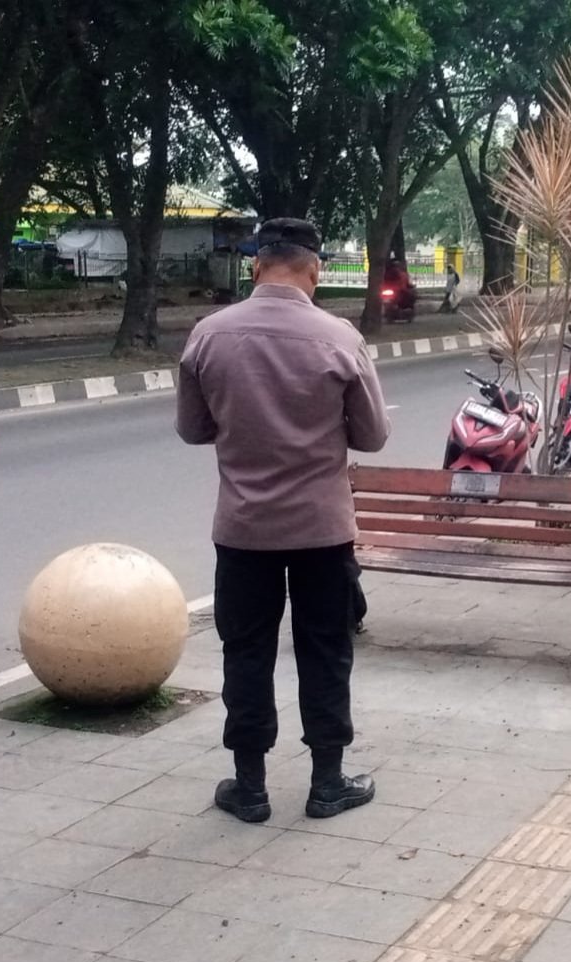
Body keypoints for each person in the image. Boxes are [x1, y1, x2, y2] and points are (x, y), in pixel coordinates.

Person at [177, 217, 391, 824]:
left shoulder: (207, 336)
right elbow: (372, 437)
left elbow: (193, 429)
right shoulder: (339, 339)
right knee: (325, 652)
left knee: (245, 653)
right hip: (322, 532)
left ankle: (249, 787)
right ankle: (328, 783)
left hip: (243, 530)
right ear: (314, 268)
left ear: (255, 265)